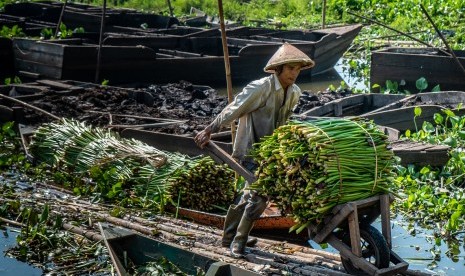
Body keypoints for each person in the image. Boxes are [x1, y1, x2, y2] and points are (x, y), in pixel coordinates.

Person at [194, 42, 315, 258]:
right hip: (250, 150)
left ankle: (228, 236)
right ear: (278, 69)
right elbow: (234, 108)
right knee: (260, 196)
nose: (294, 74)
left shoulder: (294, 92)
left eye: (297, 69)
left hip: (271, 153)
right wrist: (210, 129)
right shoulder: (261, 88)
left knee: (250, 194)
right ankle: (238, 242)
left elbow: (285, 122)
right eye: (290, 68)